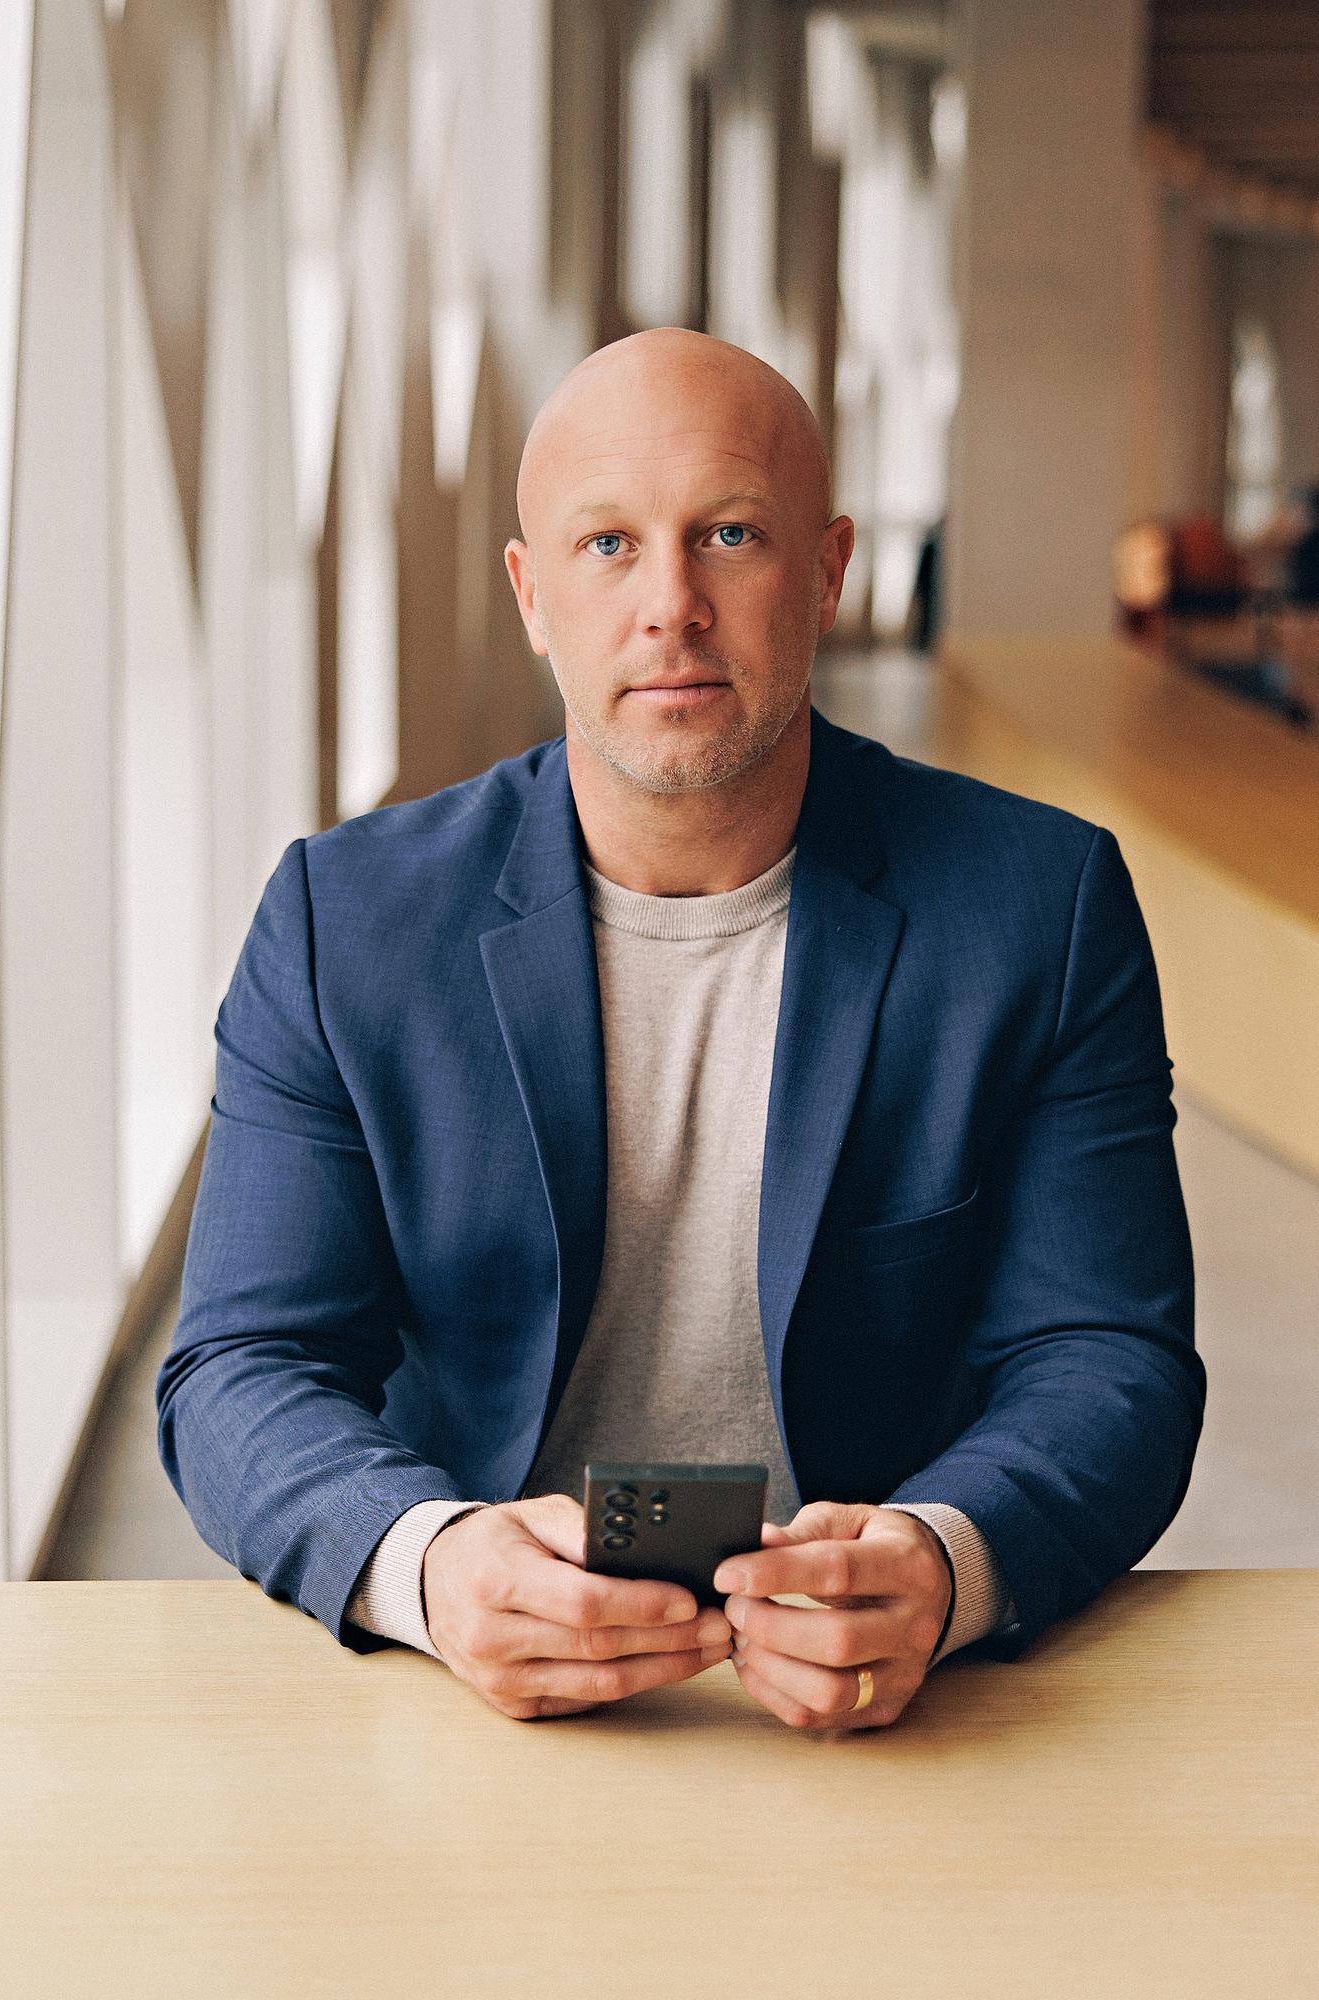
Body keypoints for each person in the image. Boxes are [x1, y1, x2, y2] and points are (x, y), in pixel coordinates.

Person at [156, 328, 1205, 1732]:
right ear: (531, 596)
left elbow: (1106, 1353)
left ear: (826, 573)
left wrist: (950, 1563)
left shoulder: (1035, 909)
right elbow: (242, 1363)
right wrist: (428, 1565)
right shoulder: (342, 923)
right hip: (476, 1694)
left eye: (727, 534)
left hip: (889, 1699)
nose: (670, 607)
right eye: (605, 545)